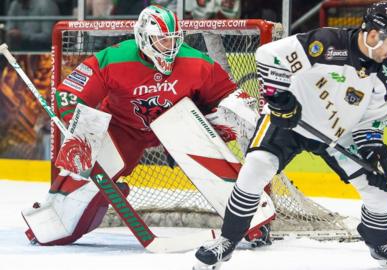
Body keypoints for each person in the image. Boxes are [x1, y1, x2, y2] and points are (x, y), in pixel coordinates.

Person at [195, 1, 387, 269]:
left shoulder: (386, 77)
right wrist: (279, 98)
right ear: (373, 35)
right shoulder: (326, 43)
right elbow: (268, 55)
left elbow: (370, 124)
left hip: (338, 134)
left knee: (379, 187)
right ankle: (226, 241)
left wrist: (374, 152)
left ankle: (380, 244)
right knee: (255, 170)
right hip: (290, 122)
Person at [22, 5, 258, 245]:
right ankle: (50, 223)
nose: (170, 48)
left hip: (178, 127)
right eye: (161, 40)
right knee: (82, 177)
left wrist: (238, 110)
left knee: (216, 155)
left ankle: (254, 222)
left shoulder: (197, 63)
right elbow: (69, 94)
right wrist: (78, 129)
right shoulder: (114, 58)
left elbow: (227, 94)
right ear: (143, 38)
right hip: (123, 129)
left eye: (174, 40)